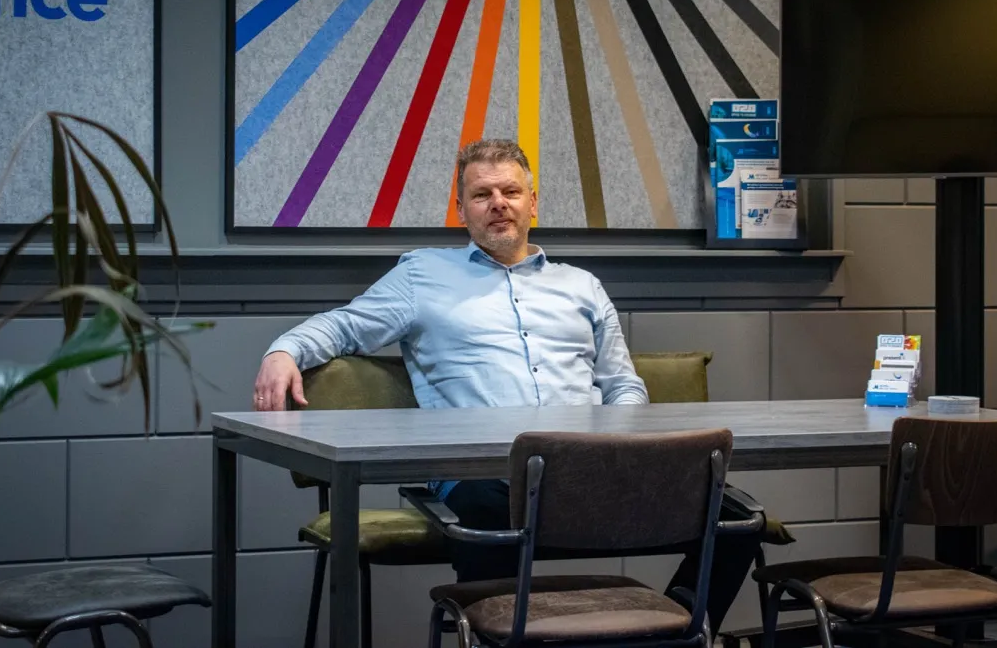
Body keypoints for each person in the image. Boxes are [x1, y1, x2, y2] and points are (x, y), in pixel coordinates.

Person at [251, 139, 762, 632]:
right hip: (482, 475)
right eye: (482, 195)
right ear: (462, 210)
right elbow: (344, 325)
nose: (498, 204)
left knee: (736, 514)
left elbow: (622, 383)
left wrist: (622, 440)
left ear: (532, 203)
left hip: (590, 470)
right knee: (487, 511)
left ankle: (671, 634)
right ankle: (500, 634)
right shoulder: (422, 275)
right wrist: (283, 351)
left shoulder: (581, 286)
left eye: (510, 192)